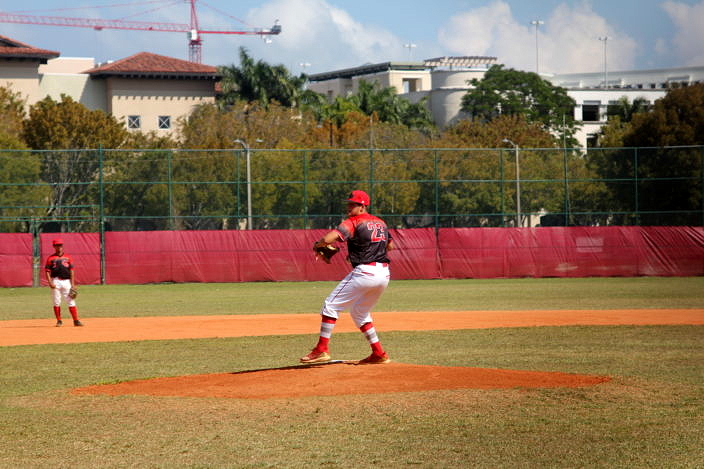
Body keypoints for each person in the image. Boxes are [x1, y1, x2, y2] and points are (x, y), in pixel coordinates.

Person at [301, 190, 395, 365]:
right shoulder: (381, 223)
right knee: (360, 312)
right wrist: (363, 250)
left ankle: (321, 349)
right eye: (349, 204)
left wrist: (318, 246)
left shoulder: (354, 221)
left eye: (353, 204)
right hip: (383, 274)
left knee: (330, 306)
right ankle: (379, 353)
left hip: (366, 272)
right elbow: (390, 246)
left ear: (362, 206)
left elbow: (330, 238)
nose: (349, 207)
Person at [44, 238, 84, 327]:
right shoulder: (51, 258)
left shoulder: (68, 258)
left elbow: (72, 271)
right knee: (56, 301)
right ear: (54, 246)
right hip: (56, 281)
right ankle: (59, 321)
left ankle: (76, 320)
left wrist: (73, 284)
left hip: (66, 282)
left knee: (71, 301)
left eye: (61, 245)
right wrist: (50, 282)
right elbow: (47, 271)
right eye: (57, 245)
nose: (59, 247)